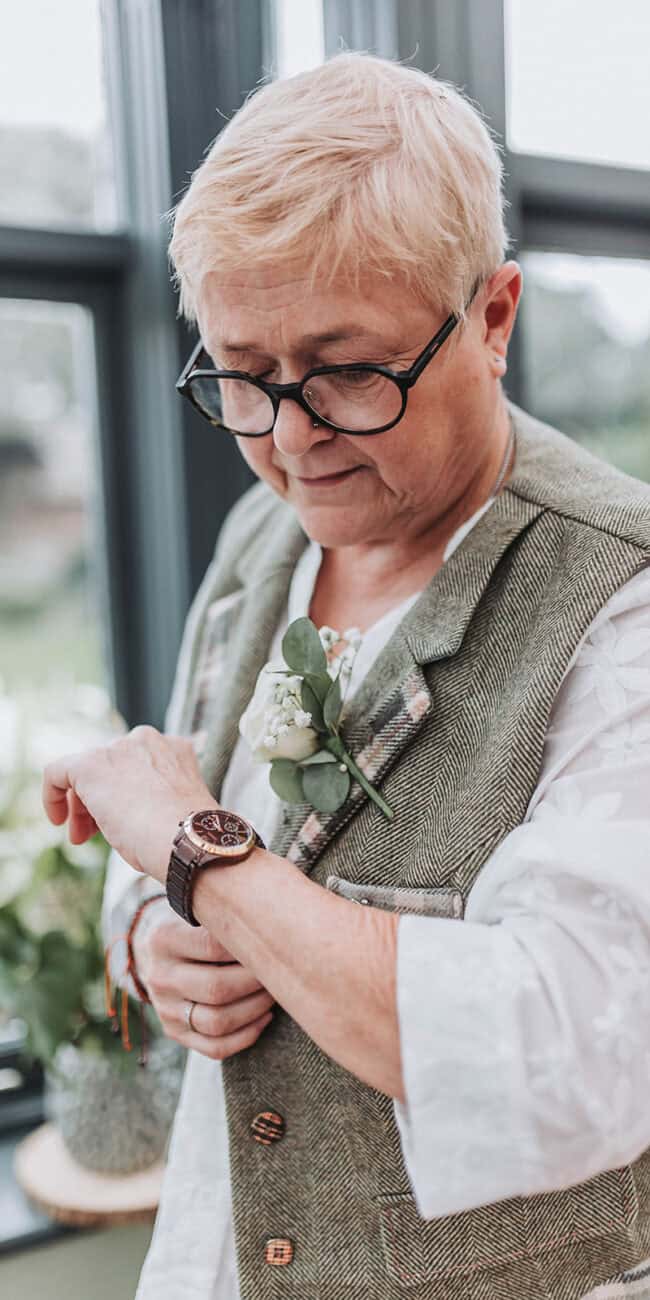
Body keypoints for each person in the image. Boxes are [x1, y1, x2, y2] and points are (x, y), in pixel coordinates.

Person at [43, 52, 650, 1300]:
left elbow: (565, 1051)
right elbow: (181, 863)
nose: (289, 436)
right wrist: (157, 938)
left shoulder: (621, 605)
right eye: (242, 373)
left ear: (492, 317)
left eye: (346, 370)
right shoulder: (264, 535)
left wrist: (200, 863)